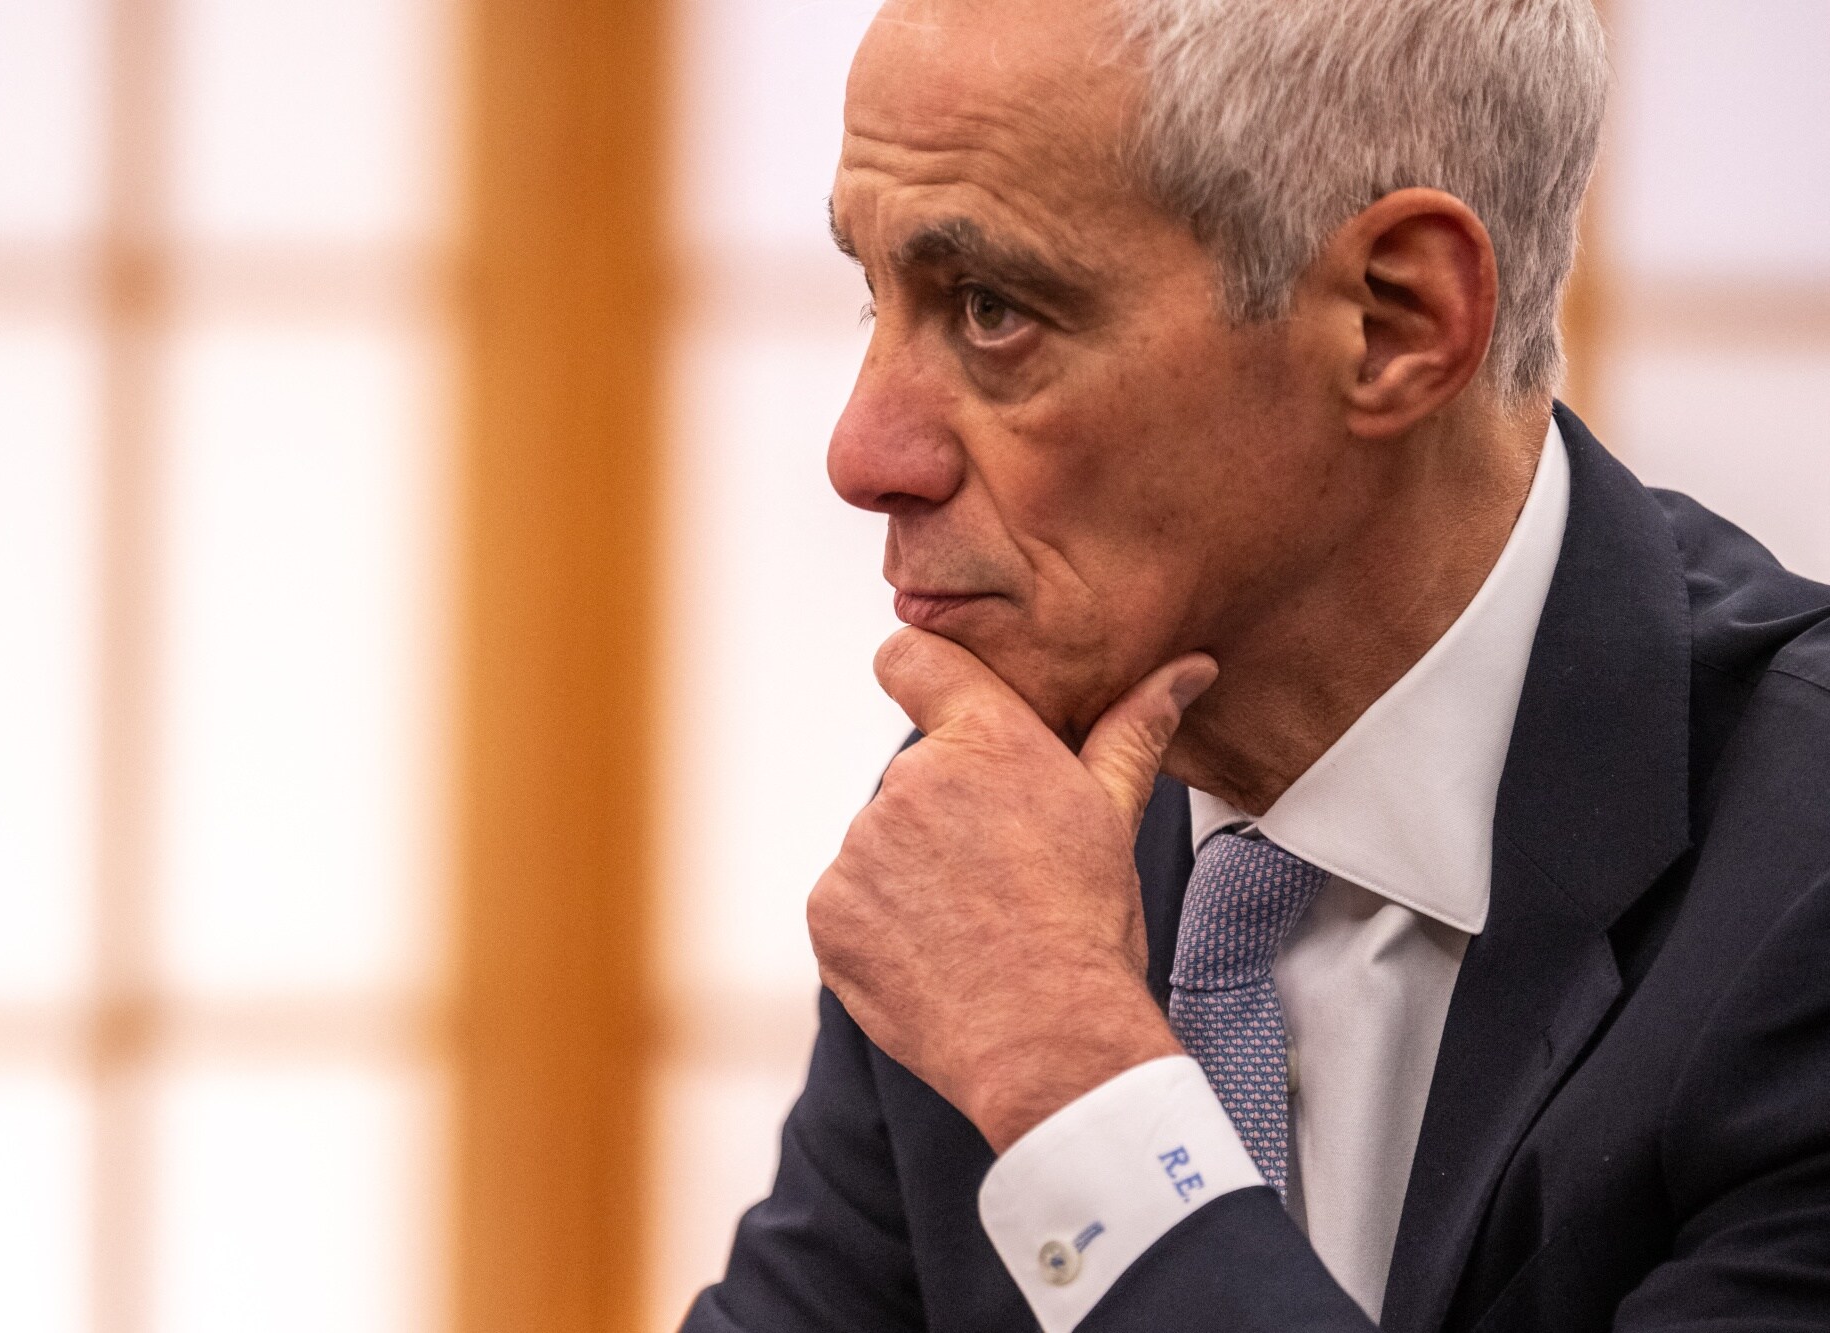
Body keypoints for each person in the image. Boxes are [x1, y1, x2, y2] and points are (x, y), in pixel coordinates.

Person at [682, 0, 1830, 1328]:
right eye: (871, 296)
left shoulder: (1796, 881)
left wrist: (1075, 1084)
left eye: (993, 311)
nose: (860, 451)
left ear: (1395, 321)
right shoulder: (1000, 824)